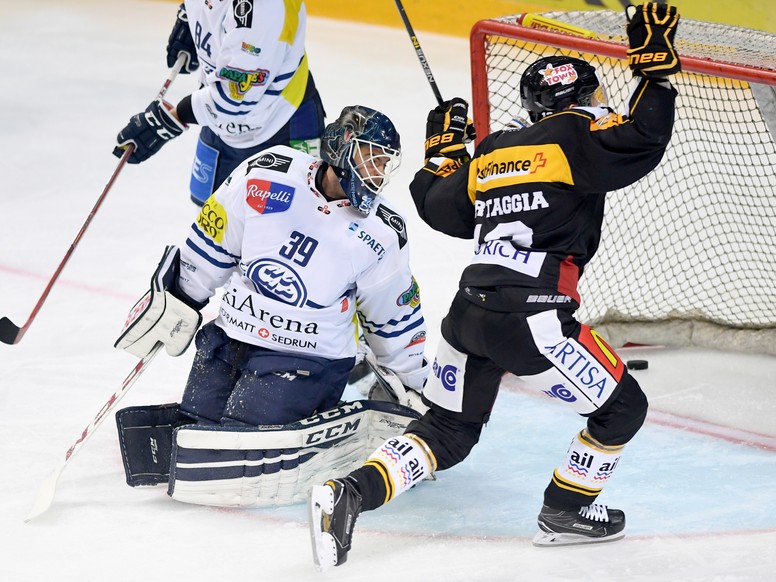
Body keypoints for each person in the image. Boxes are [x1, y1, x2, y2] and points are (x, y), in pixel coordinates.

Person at [308, 2, 681, 570]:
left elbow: (439, 209)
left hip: (467, 319)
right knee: (622, 409)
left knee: (449, 432)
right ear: (581, 100)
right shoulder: (579, 136)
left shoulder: (494, 152)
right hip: (535, 322)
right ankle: (566, 510)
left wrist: (442, 156)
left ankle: (349, 494)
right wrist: (653, 68)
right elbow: (643, 138)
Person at [115, 104, 429, 429]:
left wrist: (412, 380)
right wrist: (183, 295)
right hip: (233, 334)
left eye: (384, 163)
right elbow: (217, 234)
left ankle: (348, 386)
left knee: (240, 434)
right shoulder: (267, 173)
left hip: (309, 357)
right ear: (343, 147)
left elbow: (393, 314)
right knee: (197, 422)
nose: (379, 173)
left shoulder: (382, 230)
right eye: (373, 158)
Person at [112, 1, 326, 206]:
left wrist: (166, 121)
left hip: (283, 127)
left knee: (277, 231)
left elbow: (232, 101)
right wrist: (192, 17)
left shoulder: (261, 11)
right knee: (208, 223)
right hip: (218, 124)